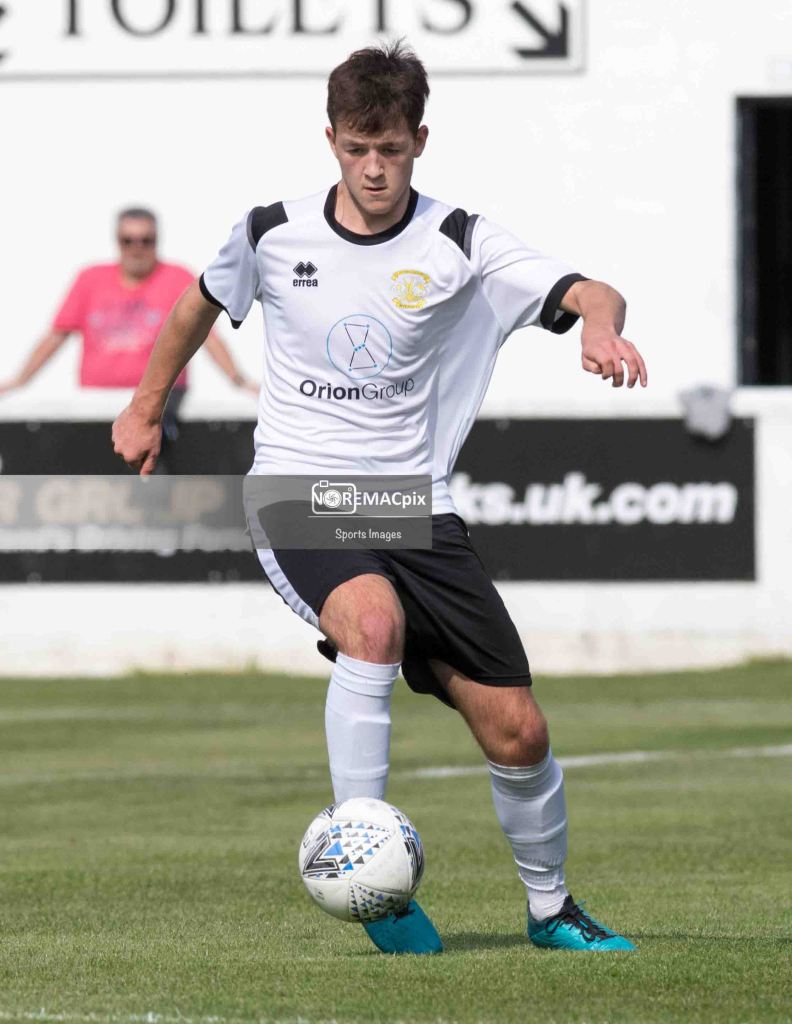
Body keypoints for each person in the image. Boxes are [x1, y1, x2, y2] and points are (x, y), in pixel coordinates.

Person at [112, 43, 648, 954]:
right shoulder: (272, 232)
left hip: (413, 508)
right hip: (299, 489)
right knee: (371, 623)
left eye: (391, 149)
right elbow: (198, 303)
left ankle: (552, 910)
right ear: (331, 140)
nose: (373, 168)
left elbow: (590, 289)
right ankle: (369, 882)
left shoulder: (459, 240)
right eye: (358, 147)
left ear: (419, 142)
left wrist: (598, 328)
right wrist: (145, 405)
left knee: (518, 731)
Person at [0, 207, 256, 465]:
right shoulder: (90, 279)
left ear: (157, 240)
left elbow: (206, 335)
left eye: (146, 240)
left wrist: (238, 380)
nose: (137, 248)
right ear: (117, 241)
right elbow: (57, 335)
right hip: (98, 407)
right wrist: (20, 380)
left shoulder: (177, 278)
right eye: (128, 241)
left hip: (158, 407)